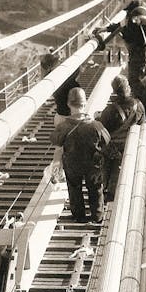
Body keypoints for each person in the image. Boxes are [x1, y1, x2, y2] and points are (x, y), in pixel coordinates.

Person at [51, 87, 110, 223]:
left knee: (74, 189)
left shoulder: (63, 127)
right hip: (93, 164)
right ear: (84, 104)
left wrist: (56, 166)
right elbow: (106, 142)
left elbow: (58, 148)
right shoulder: (96, 125)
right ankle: (97, 216)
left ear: (68, 104)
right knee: (95, 188)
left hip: (72, 165)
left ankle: (79, 216)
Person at [94, 0, 146, 99]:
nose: (120, 4)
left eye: (122, 1)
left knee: (135, 81)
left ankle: (140, 108)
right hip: (139, 51)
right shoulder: (134, 9)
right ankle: (142, 105)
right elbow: (121, 24)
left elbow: (131, 35)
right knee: (138, 79)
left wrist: (124, 30)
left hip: (138, 52)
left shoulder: (136, 13)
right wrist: (105, 29)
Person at [96, 75, 145, 201]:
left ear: (114, 92)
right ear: (128, 88)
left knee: (107, 166)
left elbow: (102, 129)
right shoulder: (138, 105)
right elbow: (142, 122)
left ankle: (105, 190)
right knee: (119, 168)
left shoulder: (110, 110)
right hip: (128, 145)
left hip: (111, 146)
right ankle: (115, 191)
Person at [41, 51, 81, 127]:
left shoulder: (49, 79)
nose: (60, 62)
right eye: (57, 62)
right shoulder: (60, 77)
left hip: (61, 115)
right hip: (69, 116)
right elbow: (77, 70)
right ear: (51, 66)